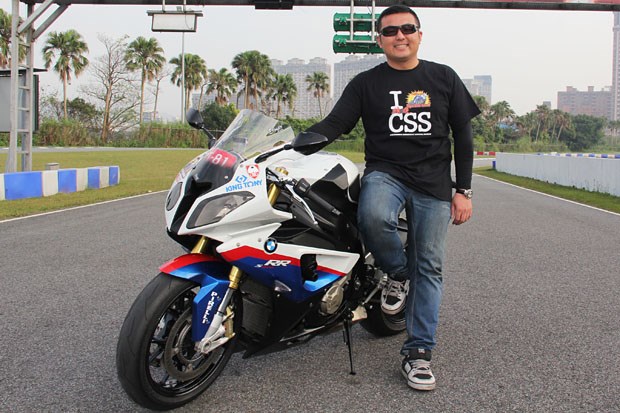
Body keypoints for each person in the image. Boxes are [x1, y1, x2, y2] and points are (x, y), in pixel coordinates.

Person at [306, 5, 480, 391]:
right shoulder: (366, 83)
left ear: (419, 34)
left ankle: (418, 354)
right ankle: (398, 275)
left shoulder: (444, 77)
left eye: (407, 28)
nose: (399, 35)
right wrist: (294, 145)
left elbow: (464, 137)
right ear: (379, 40)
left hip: (433, 183)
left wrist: (463, 190)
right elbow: (335, 123)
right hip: (386, 173)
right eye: (390, 31)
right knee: (372, 217)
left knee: (429, 267)